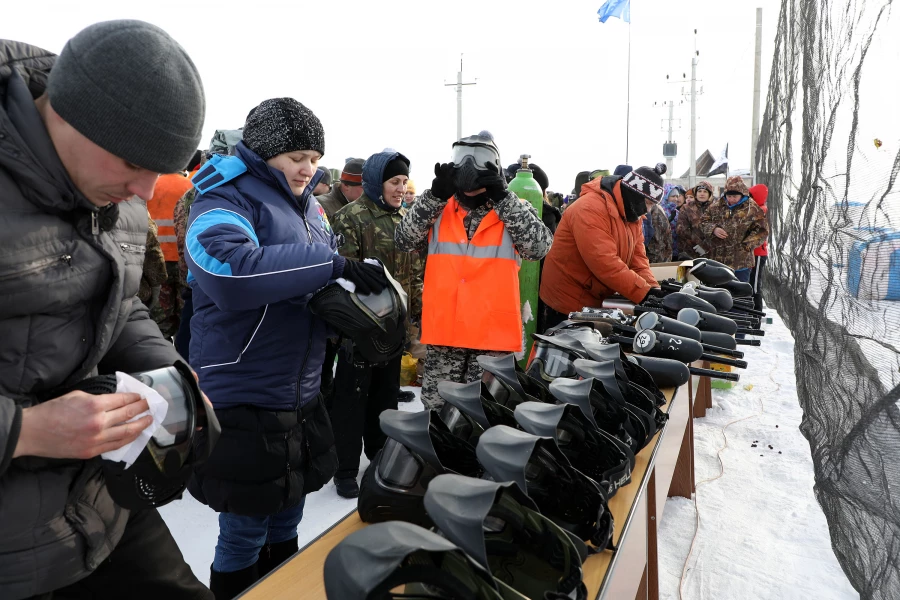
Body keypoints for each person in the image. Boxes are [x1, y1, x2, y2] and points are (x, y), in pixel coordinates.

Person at [0, 21, 210, 600]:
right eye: (134, 164)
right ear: (69, 114)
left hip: (99, 501)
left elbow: (119, 301)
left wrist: (168, 370)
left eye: (160, 170)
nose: (146, 192)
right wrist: (26, 430)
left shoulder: (116, 198)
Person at [184, 97, 389, 599]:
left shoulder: (311, 207)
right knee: (245, 533)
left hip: (299, 389)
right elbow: (228, 270)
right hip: (242, 392)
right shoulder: (224, 197)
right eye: (297, 156)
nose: (308, 168)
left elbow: (309, 282)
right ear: (265, 151)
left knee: (286, 519)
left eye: (315, 158)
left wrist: (353, 310)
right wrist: (333, 265)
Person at [395, 131, 552, 409]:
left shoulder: (513, 209)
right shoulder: (439, 208)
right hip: (445, 338)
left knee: (485, 417)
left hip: (492, 341)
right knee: (438, 420)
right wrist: (433, 196)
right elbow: (404, 240)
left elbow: (538, 247)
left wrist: (504, 198)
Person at [329, 151, 423, 498]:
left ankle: (382, 457)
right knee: (352, 398)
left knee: (385, 397)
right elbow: (342, 278)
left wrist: (414, 321)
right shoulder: (350, 218)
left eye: (403, 182)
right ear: (375, 181)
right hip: (360, 329)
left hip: (395, 328)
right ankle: (345, 470)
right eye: (394, 182)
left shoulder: (406, 220)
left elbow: (415, 276)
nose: (400, 189)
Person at [540, 165, 665, 331]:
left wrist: (653, 290)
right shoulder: (590, 208)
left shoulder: (632, 215)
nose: (648, 211)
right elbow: (604, 262)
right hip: (567, 300)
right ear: (635, 195)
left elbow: (638, 261)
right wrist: (643, 293)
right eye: (648, 204)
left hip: (594, 298)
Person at [315, 157, 366, 402]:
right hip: (327, 298)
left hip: (346, 301)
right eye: (361, 187)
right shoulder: (322, 205)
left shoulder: (357, 207)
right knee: (322, 368)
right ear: (345, 186)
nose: (365, 192)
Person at [146, 167, 195, 339]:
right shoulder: (190, 185)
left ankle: (161, 358)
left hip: (159, 260)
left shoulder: (151, 185)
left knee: (160, 320)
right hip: (185, 262)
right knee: (187, 318)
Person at [698, 176, 768, 281]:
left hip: (741, 263)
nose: (731, 199)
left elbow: (762, 230)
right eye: (729, 196)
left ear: (742, 194)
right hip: (718, 261)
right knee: (720, 292)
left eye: (735, 196)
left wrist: (746, 245)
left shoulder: (752, 208)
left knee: (740, 292)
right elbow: (703, 222)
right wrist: (713, 229)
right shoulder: (715, 206)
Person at [317, 157, 365, 221]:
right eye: (364, 188)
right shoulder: (320, 205)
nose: (368, 192)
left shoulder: (365, 205)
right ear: (346, 185)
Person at [676, 180, 715, 259]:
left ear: (710, 194)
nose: (702, 194)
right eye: (699, 191)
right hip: (690, 250)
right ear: (696, 193)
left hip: (712, 251)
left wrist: (706, 246)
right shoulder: (686, 208)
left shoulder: (716, 208)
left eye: (705, 192)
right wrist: (698, 244)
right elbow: (681, 229)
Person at [748, 183, 769, 310]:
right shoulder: (756, 209)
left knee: (755, 286)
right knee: (751, 284)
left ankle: (756, 315)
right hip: (752, 253)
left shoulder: (760, 211)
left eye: (751, 196)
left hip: (758, 254)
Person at [643, 193, 673, 264]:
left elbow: (664, 236)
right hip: (653, 256)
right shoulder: (653, 209)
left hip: (657, 256)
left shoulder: (656, 210)